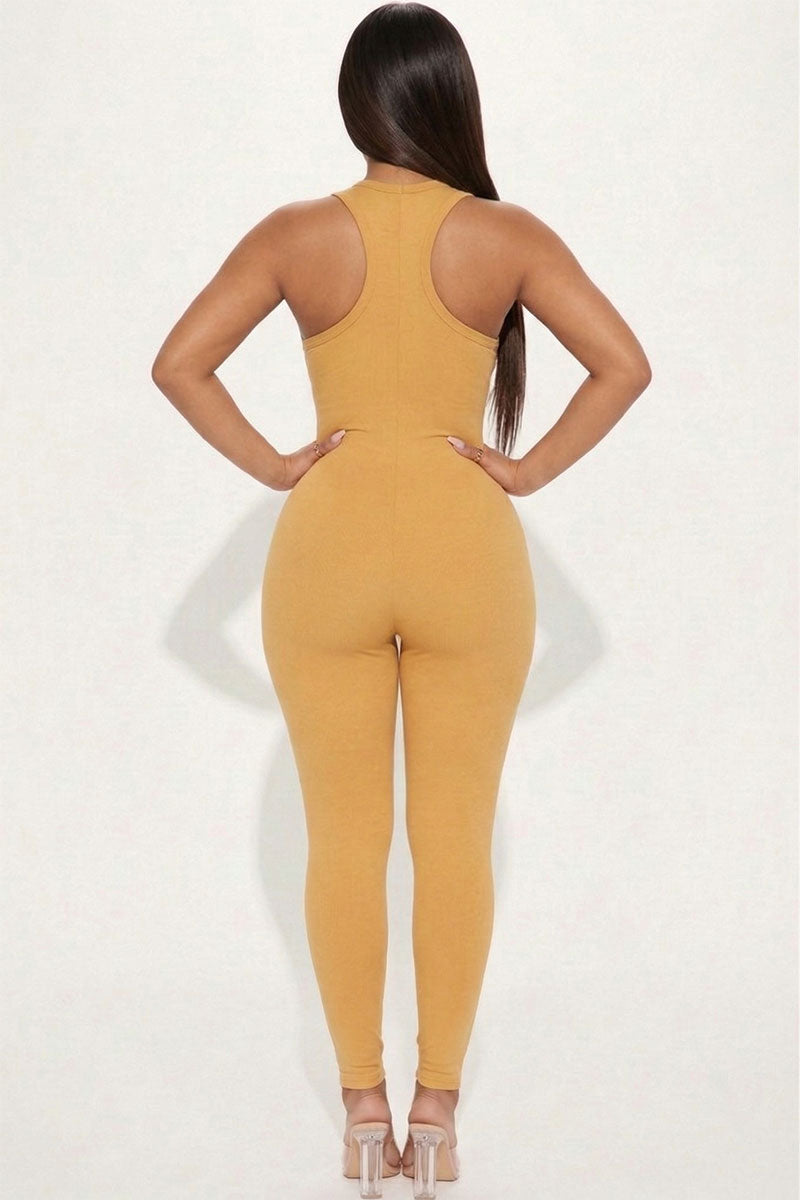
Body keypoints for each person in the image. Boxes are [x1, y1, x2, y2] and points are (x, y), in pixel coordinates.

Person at [151, 4, 651, 1195]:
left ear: (354, 104)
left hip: (323, 552)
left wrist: (280, 464)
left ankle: (359, 1113)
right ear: (451, 100)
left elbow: (178, 363)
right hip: (465, 552)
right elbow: (623, 364)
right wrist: (525, 471)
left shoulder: (294, 234)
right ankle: (436, 1116)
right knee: (452, 838)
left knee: (342, 839)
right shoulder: (503, 235)